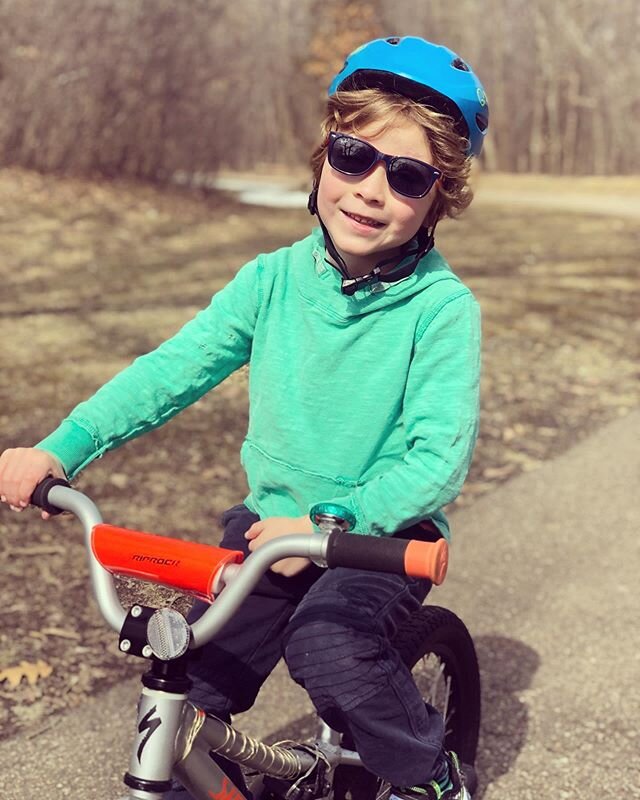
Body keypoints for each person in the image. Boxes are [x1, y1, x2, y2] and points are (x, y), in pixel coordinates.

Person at [0, 36, 488, 800]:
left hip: (378, 535)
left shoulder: (441, 310)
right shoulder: (272, 281)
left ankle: (430, 775)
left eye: (407, 175)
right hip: (268, 525)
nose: (369, 189)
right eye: (353, 156)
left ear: (438, 198)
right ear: (323, 158)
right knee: (183, 691)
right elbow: (171, 371)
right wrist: (63, 447)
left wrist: (330, 524)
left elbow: (437, 458)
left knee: (329, 647)